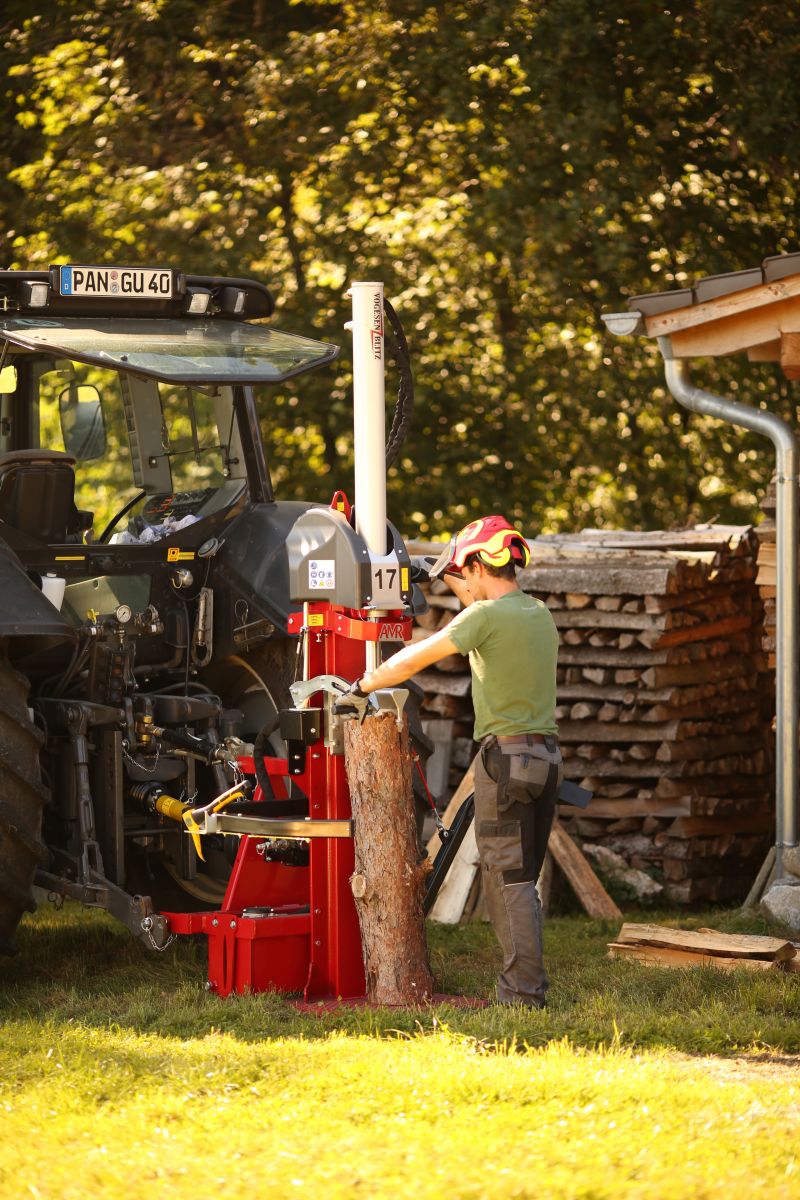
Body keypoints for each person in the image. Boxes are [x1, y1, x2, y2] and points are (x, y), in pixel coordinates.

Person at [340, 515, 561, 1008]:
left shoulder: (482, 618)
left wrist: (360, 688)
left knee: (507, 883)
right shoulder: (537, 613)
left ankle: (523, 995)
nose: (461, 585)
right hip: (546, 759)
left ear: (480, 565)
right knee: (522, 879)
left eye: (462, 573)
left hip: (505, 762)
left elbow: (410, 659)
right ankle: (529, 987)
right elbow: (481, 613)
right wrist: (439, 572)